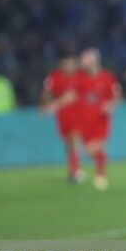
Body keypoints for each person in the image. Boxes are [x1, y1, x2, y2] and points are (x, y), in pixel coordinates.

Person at [76, 48, 121, 191]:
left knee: (100, 144)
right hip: (85, 119)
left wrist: (110, 105)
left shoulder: (107, 77)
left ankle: (100, 175)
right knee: (89, 149)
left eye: (85, 59)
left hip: (102, 118)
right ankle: (88, 170)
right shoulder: (80, 78)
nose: (83, 62)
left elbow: (117, 97)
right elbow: (74, 95)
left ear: (94, 60)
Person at [41, 54, 83, 182]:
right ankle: (75, 169)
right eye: (66, 63)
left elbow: (81, 94)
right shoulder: (54, 77)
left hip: (79, 114)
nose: (68, 65)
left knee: (74, 140)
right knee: (69, 143)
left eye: (71, 62)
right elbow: (46, 93)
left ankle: (76, 172)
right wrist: (47, 105)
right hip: (62, 116)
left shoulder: (81, 77)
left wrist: (56, 104)